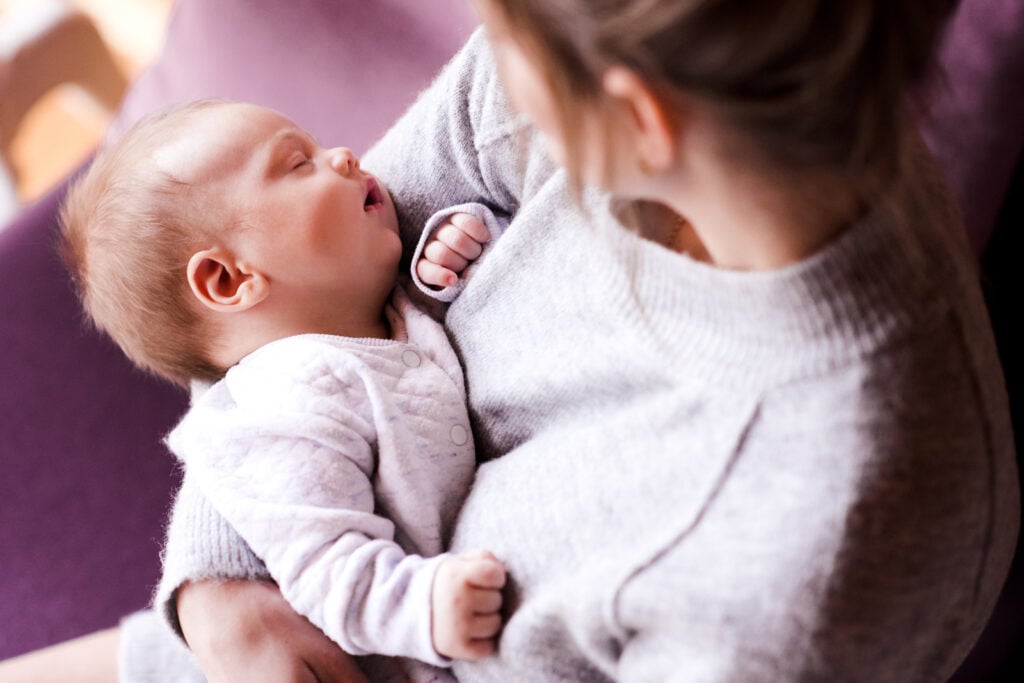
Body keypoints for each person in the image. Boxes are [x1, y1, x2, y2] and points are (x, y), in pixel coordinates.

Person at [2, 0, 1018, 681]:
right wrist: (225, 580)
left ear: (636, 124)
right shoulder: (620, 53)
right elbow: (276, 300)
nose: (477, 60)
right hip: (298, 594)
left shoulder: (799, 565)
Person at [58, 98, 507, 681]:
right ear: (231, 278)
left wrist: (442, 260)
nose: (344, 157)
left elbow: (418, 345)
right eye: (299, 164)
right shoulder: (285, 407)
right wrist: (422, 605)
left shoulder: (365, 312)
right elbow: (326, 568)